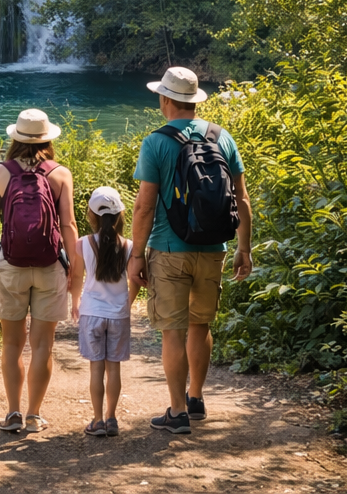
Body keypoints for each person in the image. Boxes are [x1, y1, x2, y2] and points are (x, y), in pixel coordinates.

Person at [129, 66, 253, 435]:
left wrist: (136, 255)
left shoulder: (156, 142)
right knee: (200, 324)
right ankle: (196, 399)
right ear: (194, 101)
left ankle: (177, 411)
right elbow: (242, 199)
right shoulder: (222, 137)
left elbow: (144, 206)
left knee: (172, 330)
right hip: (213, 247)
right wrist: (243, 247)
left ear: (166, 100)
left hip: (169, 250)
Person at [0, 108, 81, 435]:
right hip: (50, 266)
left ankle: (12, 414)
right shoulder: (61, 173)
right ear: (48, 138)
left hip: (11, 264)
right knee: (42, 346)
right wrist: (74, 270)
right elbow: (69, 225)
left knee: (11, 344)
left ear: (14, 138)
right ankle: (34, 415)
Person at [71, 186, 138, 437]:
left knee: (96, 369)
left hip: (92, 313)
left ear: (91, 215)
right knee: (114, 369)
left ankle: (97, 420)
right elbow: (135, 280)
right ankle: (112, 418)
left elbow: (76, 276)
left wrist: (75, 302)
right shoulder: (129, 246)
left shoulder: (83, 244)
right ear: (121, 214)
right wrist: (126, 304)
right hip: (117, 315)